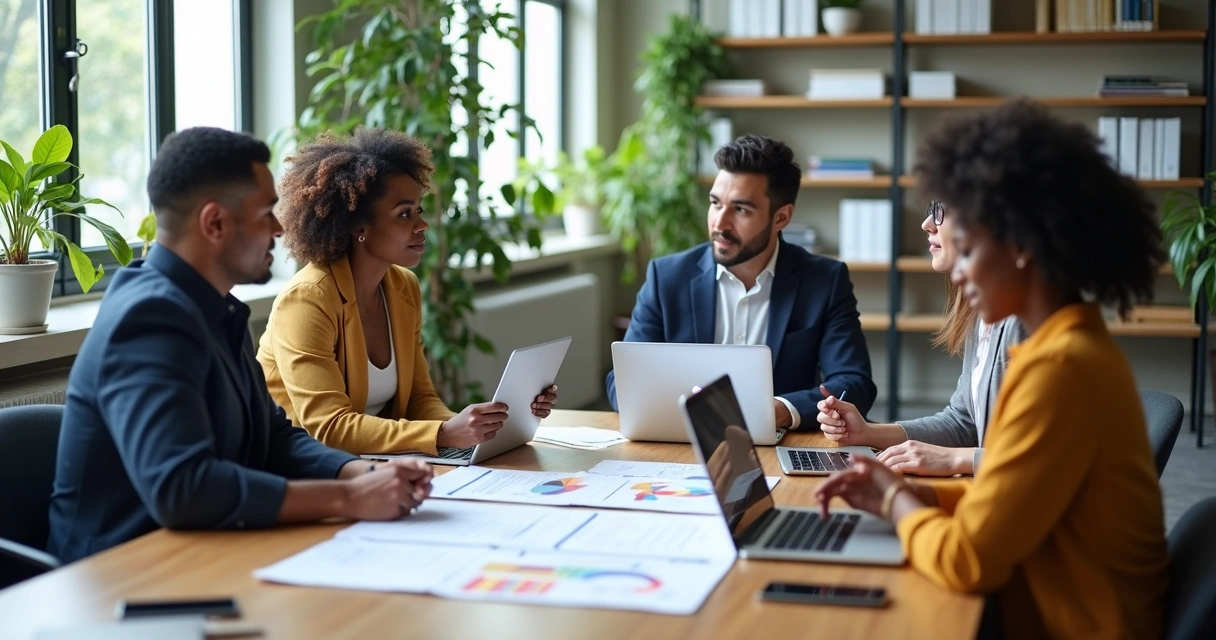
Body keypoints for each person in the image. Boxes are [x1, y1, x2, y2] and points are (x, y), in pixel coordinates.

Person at [814, 100, 1168, 639]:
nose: (957, 270)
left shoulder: (1060, 370)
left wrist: (894, 499)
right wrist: (919, 495)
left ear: (1021, 245)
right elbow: (1010, 496)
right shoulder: (1066, 346)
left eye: (969, 250)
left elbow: (967, 560)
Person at [48, 128, 434, 564]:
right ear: (214, 223)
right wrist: (348, 497)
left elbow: (273, 437)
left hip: (205, 548)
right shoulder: (149, 318)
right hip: (125, 572)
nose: (279, 228)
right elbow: (183, 487)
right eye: (266, 213)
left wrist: (361, 472)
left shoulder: (215, 308)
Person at [256, 128, 557, 456]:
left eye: (419, 211)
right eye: (404, 214)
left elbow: (418, 399)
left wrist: (477, 429)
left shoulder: (403, 287)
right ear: (359, 227)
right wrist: (442, 433)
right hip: (297, 464)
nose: (422, 224)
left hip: (371, 462)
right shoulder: (307, 299)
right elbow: (328, 427)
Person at [605, 134, 877, 428]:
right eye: (715, 203)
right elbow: (622, 381)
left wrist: (780, 410)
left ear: (781, 218)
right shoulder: (667, 277)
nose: (720, 223)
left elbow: (854, 383)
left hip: (777, 440)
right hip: (682, 439)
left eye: (740, 209)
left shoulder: (825, 281)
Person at [816, 201, 1027, 476]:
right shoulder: (981, 314)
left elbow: (1044, 457)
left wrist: (953, 460)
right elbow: (963, 424)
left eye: (941, 211)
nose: (926, 224)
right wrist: (867, 433)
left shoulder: (1022, 322)